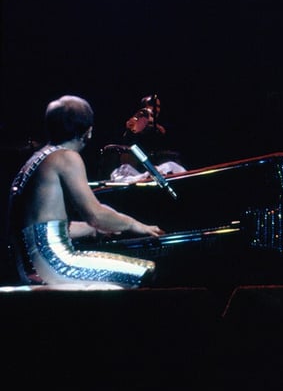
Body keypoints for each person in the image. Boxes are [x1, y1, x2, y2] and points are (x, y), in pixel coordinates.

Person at [6, 95, 165, 288]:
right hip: (56, 265)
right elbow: (95, 215)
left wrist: (93, 230)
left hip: (29, 268)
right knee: (148, 271)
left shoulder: (35, 160)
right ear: (88, 132)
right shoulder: (66, 157)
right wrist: (136, 225)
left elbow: (46, 231)